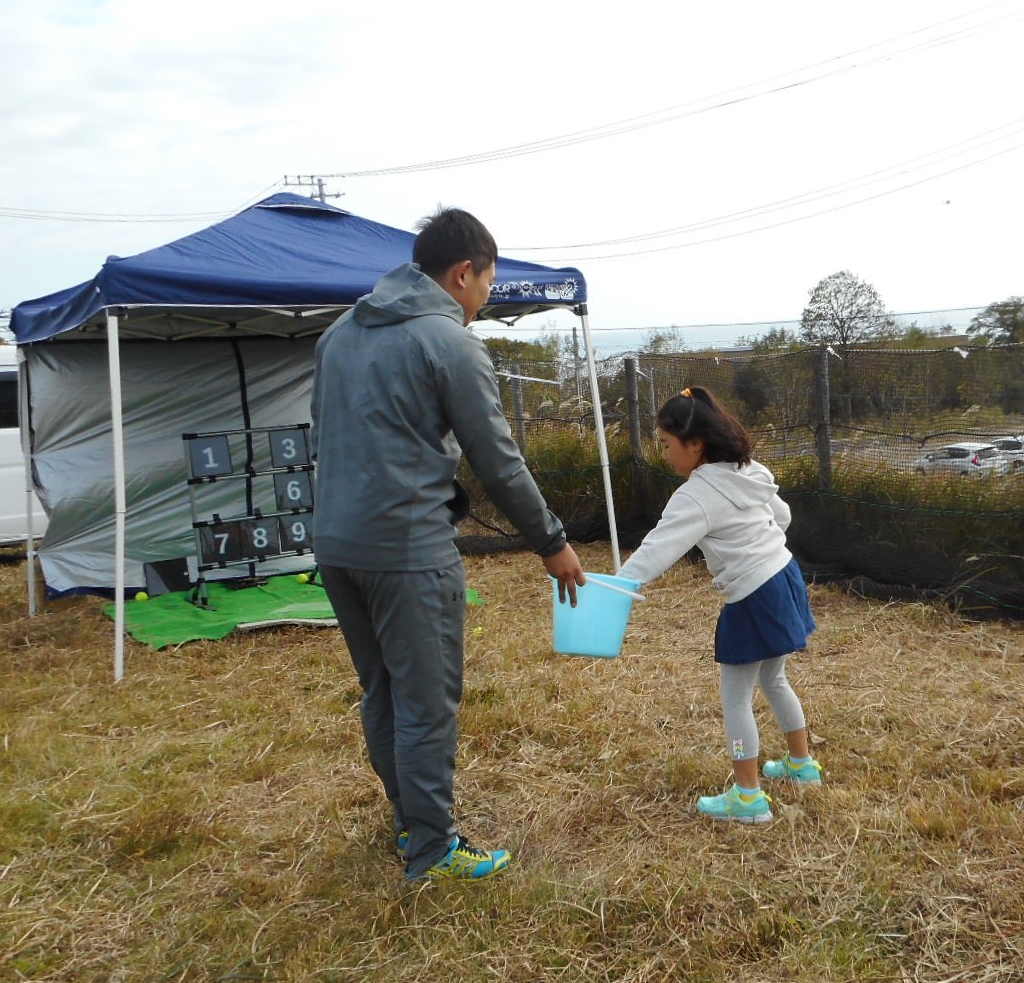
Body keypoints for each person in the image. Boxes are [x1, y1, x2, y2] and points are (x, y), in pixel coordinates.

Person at [311, 207, 585, 883]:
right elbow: (498, 458)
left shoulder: (341, 334)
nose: (487, 298)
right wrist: (551, 541)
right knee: (427, 701)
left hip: (337, 543)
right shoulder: (450, 342)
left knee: (381, 691)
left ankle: (410, 820)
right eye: (488, 283)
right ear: (463, 273)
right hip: (406, 548)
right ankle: (432, 847)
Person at [615, 386, 820, 823]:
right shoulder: (750, 470)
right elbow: (781, 518)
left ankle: (748, 798)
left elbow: (658, 548)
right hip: (784, 576)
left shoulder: (696, 495)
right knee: (775, 678)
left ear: (695, 444)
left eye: (668, 445)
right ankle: (802, 767)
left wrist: (616, 588)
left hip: (753, 595)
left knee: (736, 699)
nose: (665, 454)